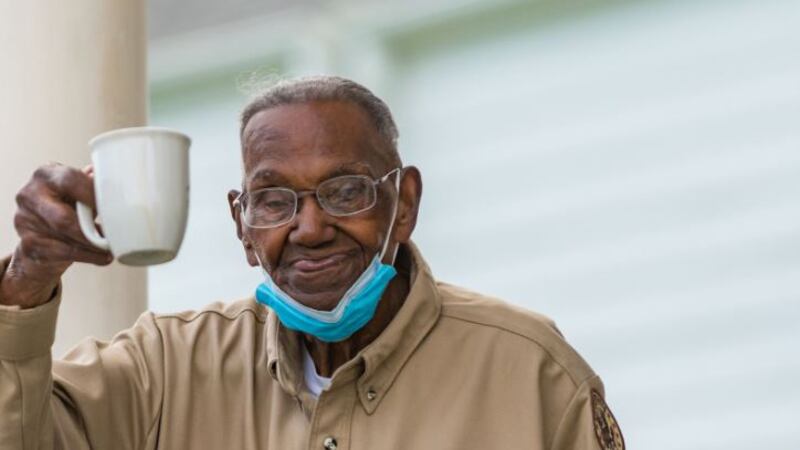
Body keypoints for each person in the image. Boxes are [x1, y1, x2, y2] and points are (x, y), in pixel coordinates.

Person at [0, 76, 625, 450]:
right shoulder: (161, 372)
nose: (310, 228)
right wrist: (27, 279)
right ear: (242, 227)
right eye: (273, 201)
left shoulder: (530, 372)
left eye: (345, 191)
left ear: (403, 204)